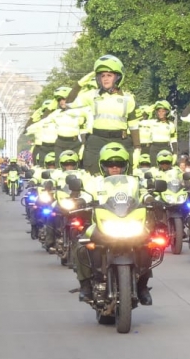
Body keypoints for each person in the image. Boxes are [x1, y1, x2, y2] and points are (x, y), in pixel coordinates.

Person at [75, 143, 155, 305]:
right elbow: (85, 195)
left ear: (125, 165)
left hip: (130, 223)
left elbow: (144, 193)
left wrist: (149, 198)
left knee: (148, 244)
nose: (114, 168)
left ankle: (142, 286)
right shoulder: (95, 182)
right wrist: (81, 201)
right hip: (100, 224)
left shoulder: (134, 181)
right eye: (110, 164)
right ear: (102, 165)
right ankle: (85, 286)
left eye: (119, 164)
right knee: (81, 246)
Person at [67, 55, 140, 174]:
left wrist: (137, 148)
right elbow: (69, 103)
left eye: (109, 75)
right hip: (97, 141)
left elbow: (133, 125)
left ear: (117, 77)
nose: (105, 79)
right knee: (93, 175)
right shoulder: (92, 95)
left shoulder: (128, 98)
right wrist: (80, 84)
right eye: (102, 76)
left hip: (121, 141)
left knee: (125, 176)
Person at [50, 86, 85, 166]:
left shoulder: (79, 112)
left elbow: (84, 129)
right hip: (60, 143)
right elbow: (45, 118)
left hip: (74, 143)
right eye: (59, 100)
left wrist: (83, 144)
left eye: (64, 99)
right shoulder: (56, 113)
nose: (62, 102)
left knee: (75, 166)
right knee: (59, 166)